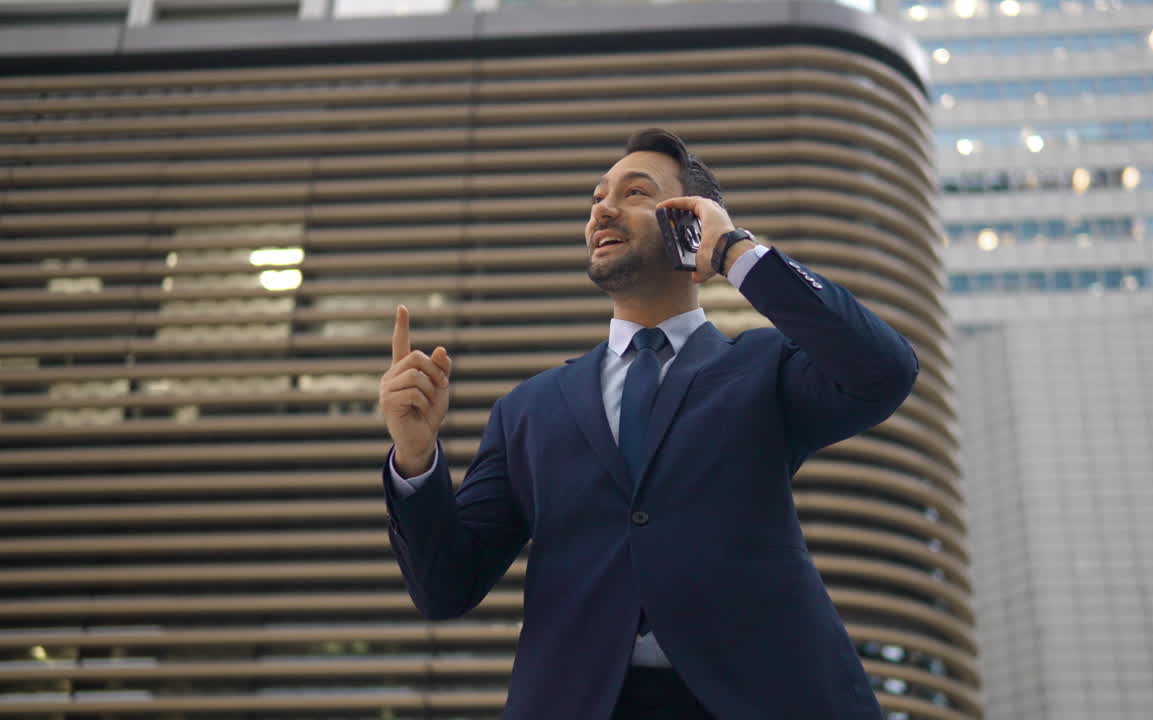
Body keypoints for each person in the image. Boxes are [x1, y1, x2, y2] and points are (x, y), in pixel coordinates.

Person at [378, 128, 919, 719]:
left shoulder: (766, 368)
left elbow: (883, 371)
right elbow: (444, 588)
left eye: (635, 193)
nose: (602, 209)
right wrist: (414, 457)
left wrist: (736, 251)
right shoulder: (528, 410)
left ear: (691, 222)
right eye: (596, 197)